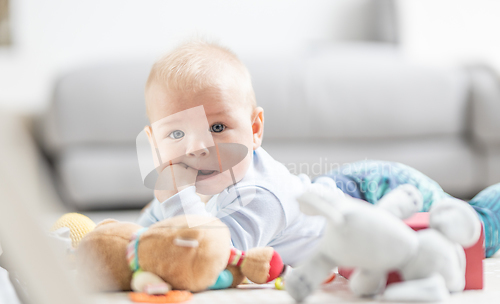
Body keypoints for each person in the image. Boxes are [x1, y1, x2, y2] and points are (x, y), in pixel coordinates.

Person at [137, 39, 500, 265]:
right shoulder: (195, 182)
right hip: (340, 189)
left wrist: (175, 197)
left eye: (217, 128)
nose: (197, 148)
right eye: (177, 133)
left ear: (255, 129)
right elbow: (152, 229)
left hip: (380, 195)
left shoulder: (261, 197)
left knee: (471, 231)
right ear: (155, 145)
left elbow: (214, 252)